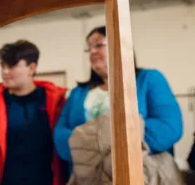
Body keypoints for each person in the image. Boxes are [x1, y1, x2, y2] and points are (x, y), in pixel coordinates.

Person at [54, 26, 182, 165]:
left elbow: (169, 127)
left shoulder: (149, 79)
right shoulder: (77, 93)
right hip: (88, 179)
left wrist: (96, 142)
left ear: (119, 45)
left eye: (98, 44)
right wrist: (117, 138)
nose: (92, 51)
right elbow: (60, 135)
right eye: (89, 47)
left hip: (142, 175)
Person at [0, 40, 67, 185]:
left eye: (11, 66)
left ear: (31, 68)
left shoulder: (56, 101)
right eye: (2, 66)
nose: (5, 72)